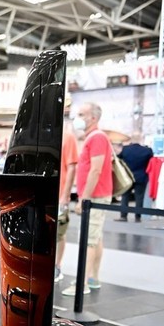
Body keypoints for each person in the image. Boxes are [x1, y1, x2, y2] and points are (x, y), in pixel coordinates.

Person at [62, 102, 113, 296]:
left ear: (93, 118)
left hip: (95, 197)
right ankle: (93, 278)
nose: (78, 118)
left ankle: (81, 283)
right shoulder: (93, 137)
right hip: (96, 196)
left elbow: (96, 169)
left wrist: (85, 198)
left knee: (89, 240)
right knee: (95, 238)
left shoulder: (97, 137)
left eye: (82, 114)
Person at [55, 118, 79, 283]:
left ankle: (57, 266)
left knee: (58, 232)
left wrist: (65, 195)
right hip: (42, 193)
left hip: (59, 193)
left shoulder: (67, 137)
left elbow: (72, 167)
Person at [114, 131, 153, 222]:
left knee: (125, 196)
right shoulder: (147, 151)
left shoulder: (125, 149)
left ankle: (123, 216)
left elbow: (118, 159)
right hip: (141, 177)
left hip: (128, 177)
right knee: (139, 197)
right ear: (141, 139)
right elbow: (151, 162)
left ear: (131, 139)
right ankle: (137, 217)